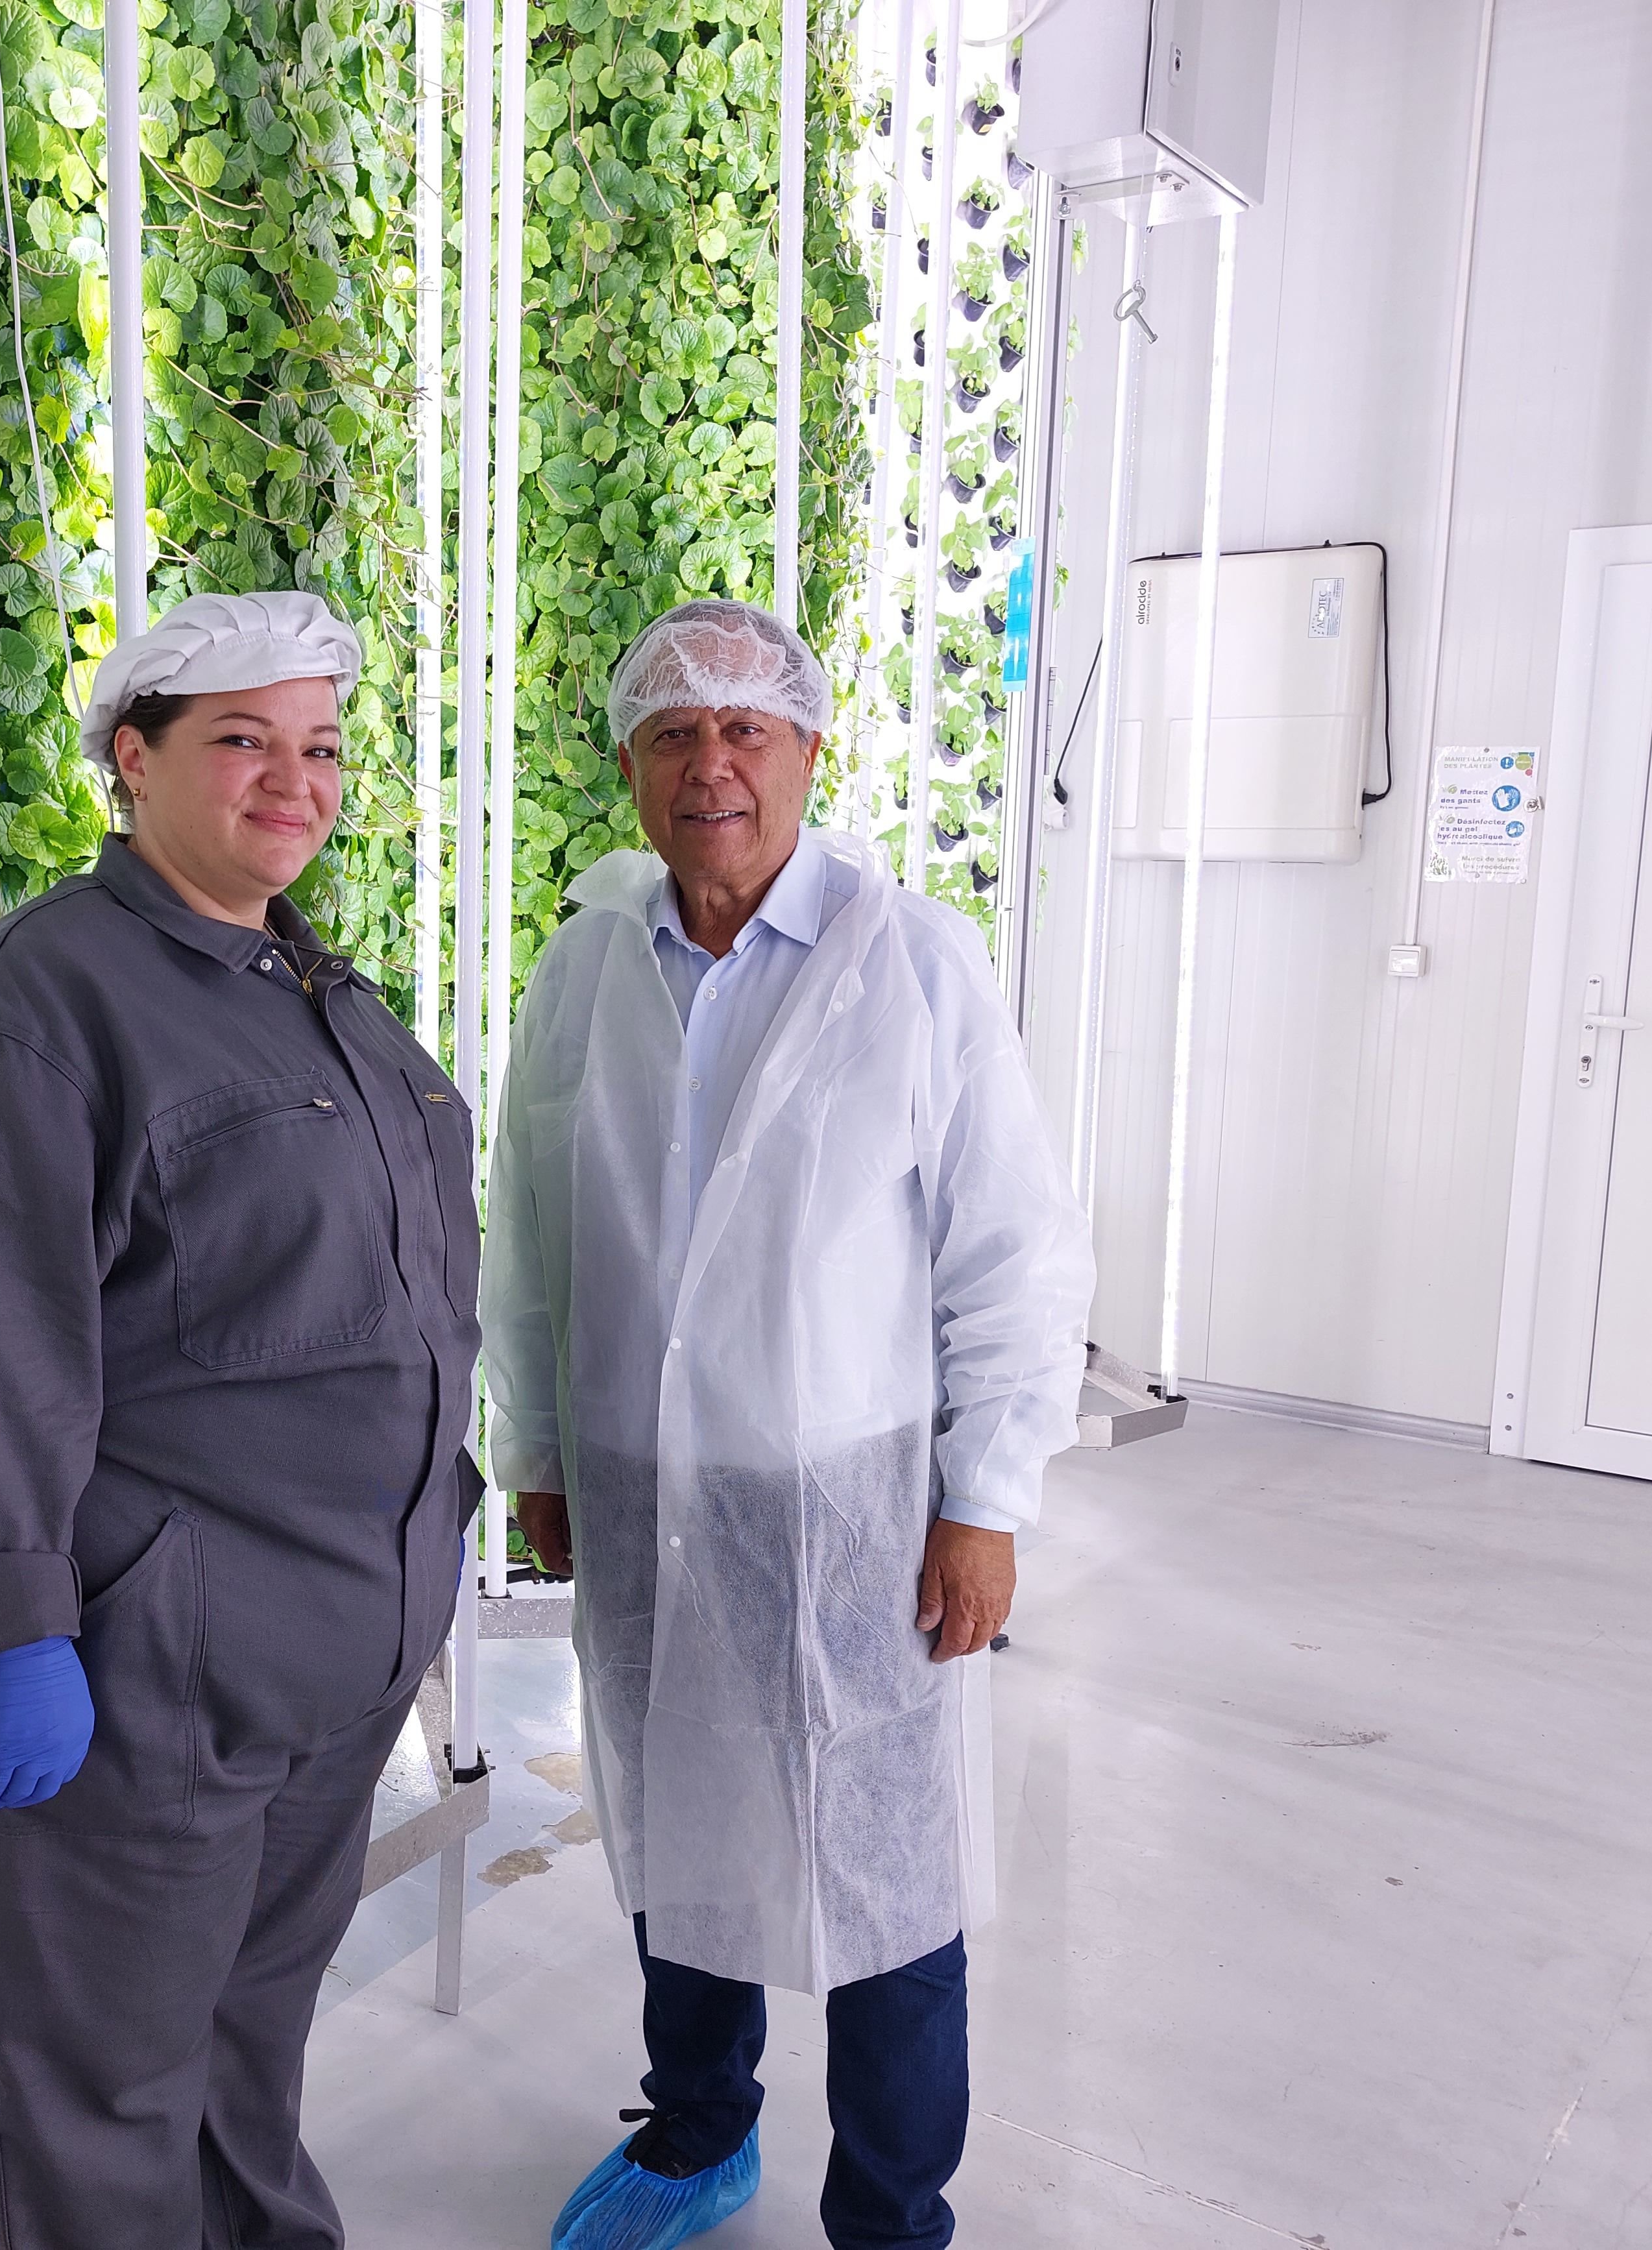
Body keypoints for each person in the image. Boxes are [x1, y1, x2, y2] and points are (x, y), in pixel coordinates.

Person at [0, 590, 484, 2249]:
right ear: (132, 761)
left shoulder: (312, 996)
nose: (296, 781)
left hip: (314, 1691)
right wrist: (7, 1629)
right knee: (103, 2120)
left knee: (240, 2068)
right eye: (243, 742)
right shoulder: (26, 1016)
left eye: (322, 746)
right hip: (136, 1715)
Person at [481, 598, 1093, 2250]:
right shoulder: (587, 956)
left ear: (812, 752)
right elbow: (530, 1229)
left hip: (851, 1513)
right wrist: (535, 1449)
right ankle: (696, 2136)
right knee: (680, 1829)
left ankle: (892, 2212)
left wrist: (986, 1498)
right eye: (673, 732)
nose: (711, 764)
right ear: (627, 764)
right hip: (635, 1482)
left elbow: (1012, 1256)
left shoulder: (910, 962)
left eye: (748, 729)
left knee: (879, 1877)